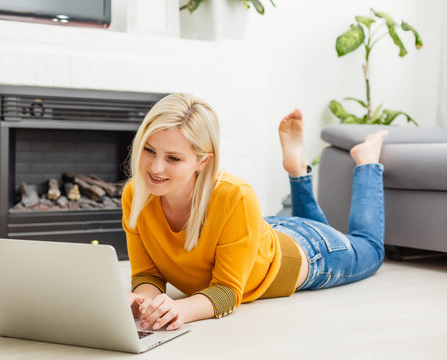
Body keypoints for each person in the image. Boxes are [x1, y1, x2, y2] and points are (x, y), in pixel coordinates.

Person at [122, 93, 388, 332]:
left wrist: (180, 309)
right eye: (149, 150)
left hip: (310, 252)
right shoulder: (136, 194)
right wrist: (144, 300)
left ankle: (367, 161)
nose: (155, 168)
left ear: (203, 161)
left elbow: (227, 291)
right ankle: (297, 169)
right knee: (310, 225)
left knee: (371, 248)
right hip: (260, 234)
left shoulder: (237, 196)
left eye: (173, 158)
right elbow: (148, 274)